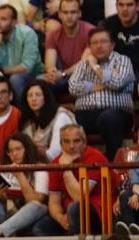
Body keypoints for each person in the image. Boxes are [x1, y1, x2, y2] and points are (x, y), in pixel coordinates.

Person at [67, 27, 135, 160]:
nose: (99, 46)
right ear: (90, 46)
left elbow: (117, 83)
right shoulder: (83, 64)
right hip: (85, 114)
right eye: (94, 42)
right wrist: (104, 82)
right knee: (68, 124)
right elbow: (73, 88)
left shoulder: (122, 61)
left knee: (109, 118)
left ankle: (112, 166)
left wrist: (95, 67)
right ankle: (78, 164)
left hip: (117, 113)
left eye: (103, 41)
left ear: (112, 45)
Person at [0, 132, 50, 237]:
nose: (14, 154)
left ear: (27, 149)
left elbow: (35, 200)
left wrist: (20, 176)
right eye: (10, 151)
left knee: (37, 206)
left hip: (29, 216)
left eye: (18, 149)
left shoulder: (40, 168)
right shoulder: (6, 168)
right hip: (7, 213)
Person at [36, 123, 106, 235]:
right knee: (40, 227)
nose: (72, 146)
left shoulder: (95, 158)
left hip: (98, 214)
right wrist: (60, 218)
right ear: (61, 144)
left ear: (84, 143)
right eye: (67, 141)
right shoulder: (55, 163)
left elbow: (79, 197)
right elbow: (54, 201)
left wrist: (66, 169)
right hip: (68, 213)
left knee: (74, 208)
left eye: (76, 141)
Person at [0, 4, 43, 98]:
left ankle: (24, 110)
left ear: (13, 22)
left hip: (32, 74)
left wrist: (1, 71)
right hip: (3, 75)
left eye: (3, 19)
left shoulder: (27, 34)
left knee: (15, 79)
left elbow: (26, 67)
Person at [42, 0, 95, 95]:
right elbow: (49, 63)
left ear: (80, 14)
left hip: (84, 76)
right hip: (62, 76)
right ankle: (56, 109)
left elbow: (84, 64)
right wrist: (51, 71)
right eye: (65, 12)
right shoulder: (53, 35)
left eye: (73, 12)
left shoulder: (91, 32)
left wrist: (63, 74)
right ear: (59, 14)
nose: (69, 16)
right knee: (40, 82)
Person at [17, 79, 76, 159]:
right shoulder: (28, 121)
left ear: (46, 97)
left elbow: (55, 152)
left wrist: (34, 153)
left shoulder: (60, 117)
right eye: (30, 95)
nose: (33, 99)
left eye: (38, 95)